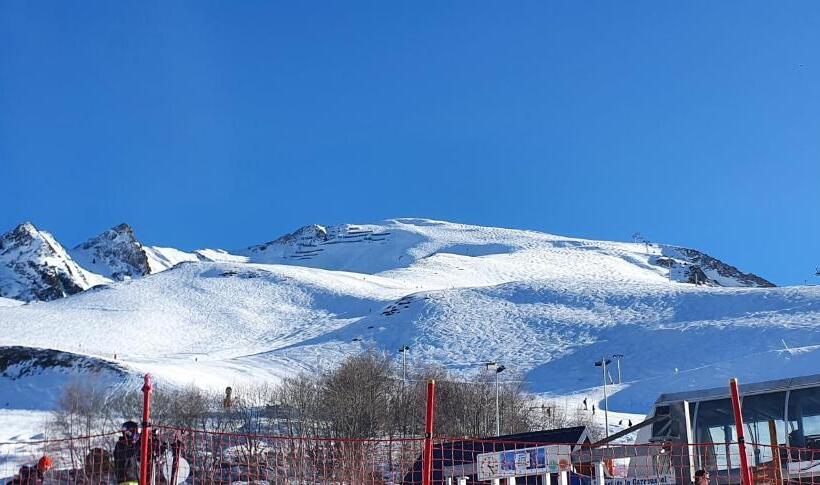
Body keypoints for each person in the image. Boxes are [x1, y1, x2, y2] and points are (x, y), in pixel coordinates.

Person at [114, 421, 141, 485]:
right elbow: (129, 454)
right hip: (125, 480)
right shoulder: (120, 445)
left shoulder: (132, 446)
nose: (137, 434)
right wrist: (139, 443)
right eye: (135, 432)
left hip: (134, 480)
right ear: (128, 433)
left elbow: (140, 457)